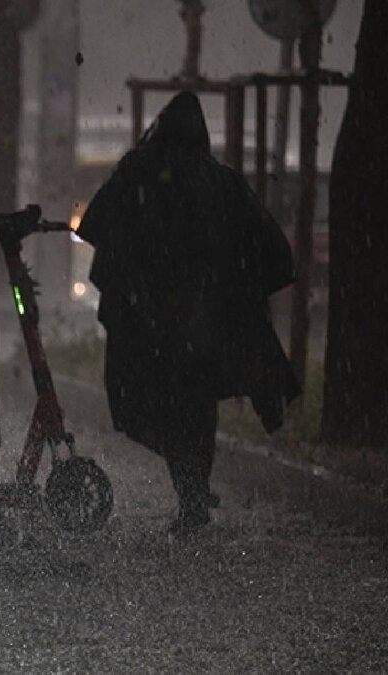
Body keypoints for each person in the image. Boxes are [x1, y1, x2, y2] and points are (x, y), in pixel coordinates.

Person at [77, 92, 299, 535]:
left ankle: (189, 482)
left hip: (145, 317)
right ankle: (193, 486)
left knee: (142, 403)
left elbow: (94, 225)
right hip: (203, 320)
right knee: (195, 408)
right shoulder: (221, 181)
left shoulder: (136, 170)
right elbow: (274, 252)